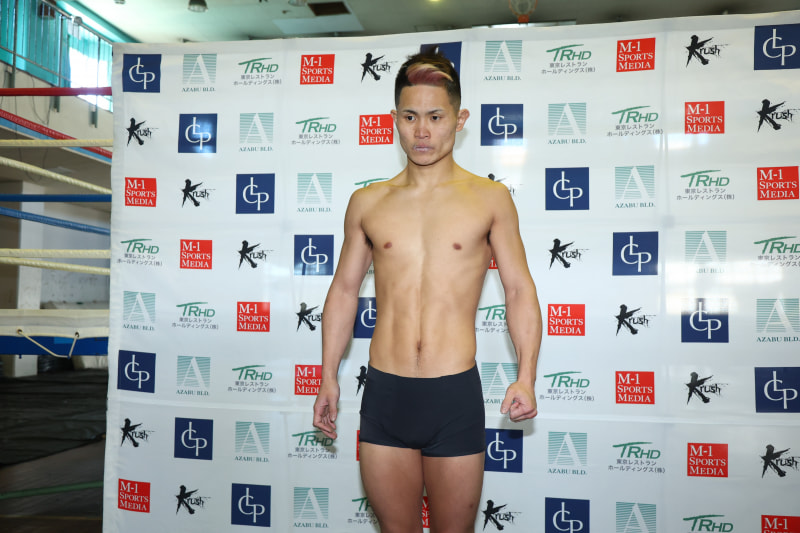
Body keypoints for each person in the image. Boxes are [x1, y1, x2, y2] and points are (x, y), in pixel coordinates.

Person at [313, 51, 542, 533]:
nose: (422, 131)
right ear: (394, 120)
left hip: (452, 394)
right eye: (410, 117)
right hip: (386, 393)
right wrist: (328, 377)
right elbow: (344, 291)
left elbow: (519, 289)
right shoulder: (368, 202)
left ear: (459, 119)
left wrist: (526, 377)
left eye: (435, 117)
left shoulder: (490, 198)